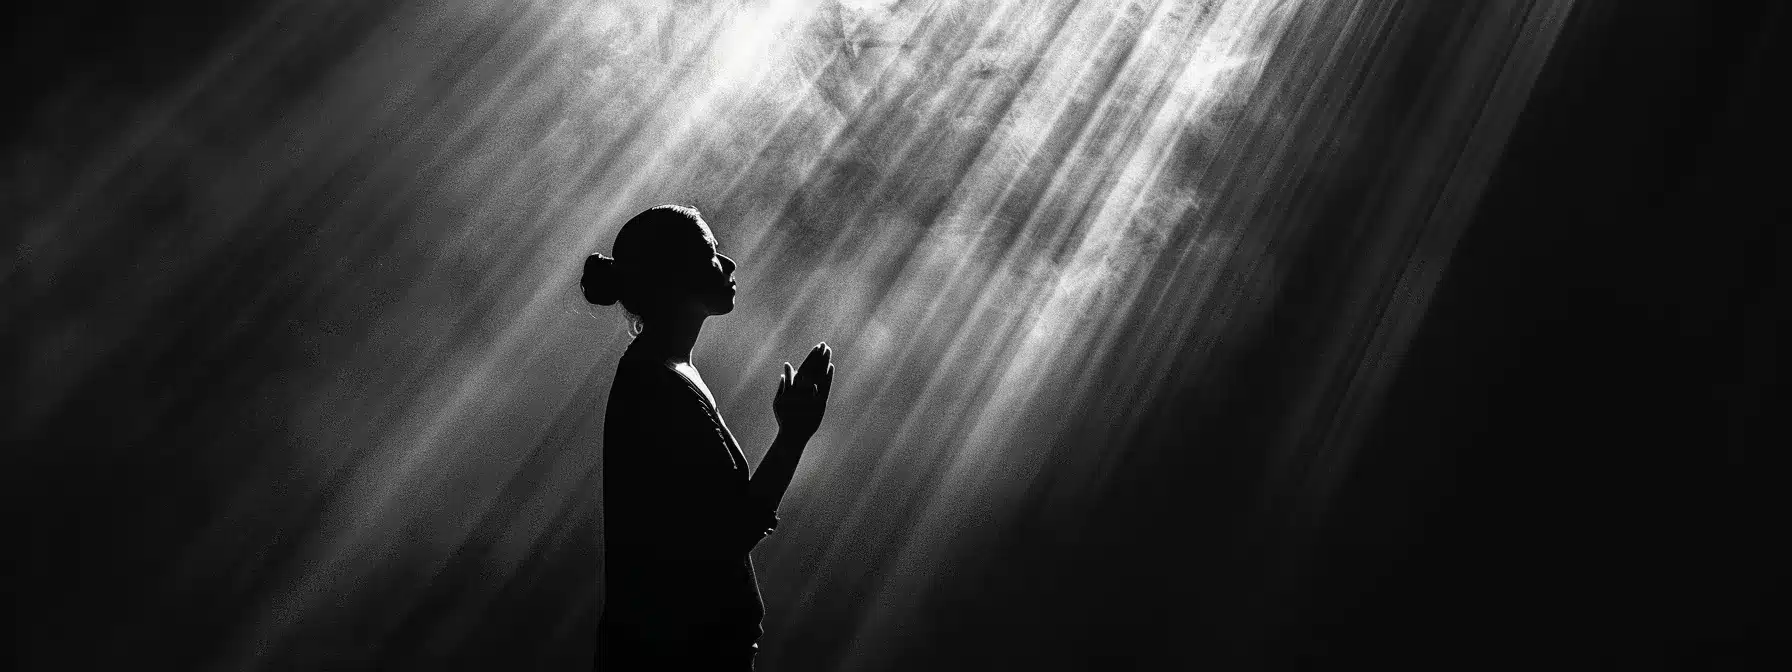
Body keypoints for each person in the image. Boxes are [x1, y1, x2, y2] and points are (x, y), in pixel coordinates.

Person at [581, 204, 834, 670]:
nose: (729, 264)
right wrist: (793, 436)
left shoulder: (671, 372)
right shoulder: (656, 386)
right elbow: (725, 537)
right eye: (711, 253)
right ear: (673, 276)